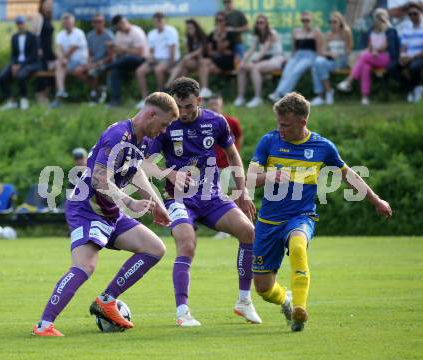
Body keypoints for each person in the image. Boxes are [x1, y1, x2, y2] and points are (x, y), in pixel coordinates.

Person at [32, 92, 179, 336]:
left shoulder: (141, 139)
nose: (163, 131)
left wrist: (155, 202)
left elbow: (134, 171)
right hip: (87, 208)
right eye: (164, 124)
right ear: (151, 114)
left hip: (109, 210)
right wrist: (129, 201)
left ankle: (106, 300)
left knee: (155, 248)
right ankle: (44, 325)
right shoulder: (117, 135)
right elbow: (100, 179)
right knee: (85, 266)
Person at [247, 92, 392, 332]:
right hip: (268, 221)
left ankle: (300, 310)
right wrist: (268, 175)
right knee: (263, 287)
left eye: (286, 125)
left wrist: (376, 200)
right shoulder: (269, 141)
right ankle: (287, 300)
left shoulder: (322, 147)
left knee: (297, 246)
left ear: (302, 122)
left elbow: (349, 175)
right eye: (278, 124)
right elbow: (248, 179)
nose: (280, 129)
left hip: (301, 216)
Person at [146, 77, 261, 327]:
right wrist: (170, 173)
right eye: (179, 106)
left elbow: (232, 155)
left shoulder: (216, 121)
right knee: (187, 245)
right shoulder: (166, 125)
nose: (184, 113)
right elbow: (144, 162)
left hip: (212, 196)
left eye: (188, 106)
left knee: (248, 232)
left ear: (198, 101)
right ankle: (182, 312)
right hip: (178, 199)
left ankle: (244, 301)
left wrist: (243, 192)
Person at [337, 8, 400, 105]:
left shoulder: (390, 30)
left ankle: (349, 81)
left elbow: (386, 46)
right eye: (377, 17)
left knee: (363, 56)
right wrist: (371, 50)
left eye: (381, 16)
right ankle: (365, 97)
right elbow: (369, 46)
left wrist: (375, 50)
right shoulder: (370, 31)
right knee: (365, 66)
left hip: (386, 58)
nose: (379, 19)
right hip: (372, 57)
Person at [207, 94, 243, 239]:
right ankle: (224, 229)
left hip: (229, 165)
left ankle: (238, 225)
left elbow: (239, 137)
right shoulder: (205, 123)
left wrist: (236, 155)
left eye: (217, 103)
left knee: (238, 193)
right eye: (212, 104)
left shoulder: (231, 122)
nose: (214, 106)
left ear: (221, 104)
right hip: (213, 167)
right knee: (219, 196)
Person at [268, 12, 323, 102]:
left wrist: (317, 60)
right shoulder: (296, 32)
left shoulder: (316, 32)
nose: (305, 22)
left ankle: (281, 94)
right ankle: (277, 93)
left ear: (311, 20)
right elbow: (294, 49)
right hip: (297, 55)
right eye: (303, 20)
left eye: (307, 20)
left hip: (309, 56)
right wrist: (290, 59)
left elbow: (319, 49)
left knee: (296, 71)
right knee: (286, 71)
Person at [234, 14, 285, 108]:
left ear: (266, 24)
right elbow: (251, 50)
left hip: (276, 59)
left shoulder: (271, 34)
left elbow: (264, 50)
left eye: (261, 22)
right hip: (263, 60)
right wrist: (242, 62)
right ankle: (240, 97)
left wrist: (254, 61)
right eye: (257, 23)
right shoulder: (258, 35)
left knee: (255, 68)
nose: (259, 24)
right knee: (242, 68)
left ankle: (258, 98)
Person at [135, 12, 180, 109]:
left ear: (164, 20)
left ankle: (160, 98)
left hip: (168, 59)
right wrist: (150, 58)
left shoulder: (171, 31)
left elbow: (172, 50)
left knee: (158, 70)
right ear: (154, 21)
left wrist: (171, 65)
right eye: (157, 20)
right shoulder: (152, 33)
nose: (159, 22)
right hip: (155, 59)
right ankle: (144, 99)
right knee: (140, 71)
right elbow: (151, 51)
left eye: (160, 20)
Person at [310, 11, 353, 106]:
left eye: (335, 22)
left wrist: (340, 53)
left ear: (340, 22)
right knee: (316, 65)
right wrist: (330, 53)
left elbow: (349, 50)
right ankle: (327, 92)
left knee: (317, 66)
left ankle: (322, 95)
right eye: (330, 22)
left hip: (342, 60)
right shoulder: (328, 35)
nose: (332, 24)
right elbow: (323, 52)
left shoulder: (346, 32)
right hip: (330, 60)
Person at [105, 15, 149, 107]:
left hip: (140, 60)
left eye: (118, 27)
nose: (118, 29)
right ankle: (116, 100)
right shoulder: (119, 34)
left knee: (128, 58)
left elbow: (139, 52)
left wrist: (124, 49)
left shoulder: (136, 32)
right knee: (115, 72)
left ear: (122, 23)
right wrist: (113, 47)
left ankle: (107, 67)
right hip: (125, 61)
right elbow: (119, 52)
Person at [0, 16, 40, 111]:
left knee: (21, 76)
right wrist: (13, 65)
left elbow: (33, 56)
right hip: (17, 64)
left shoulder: (33, 37)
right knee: (1, 77)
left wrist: (19, 66)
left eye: (22, 23)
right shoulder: (14, 37)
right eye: (18, 24)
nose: (20, 25)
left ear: (25, 24)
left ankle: (24, 100)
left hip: (30, 64)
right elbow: (13, 54)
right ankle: (11, 101)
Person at [51, 13, 88, 108]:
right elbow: (58, 49)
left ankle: (59, 97)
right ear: (63, 24)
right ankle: (61, 91)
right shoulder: (60, 34)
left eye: (69, 22)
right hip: (67, 62)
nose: (67, 24)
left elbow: (73, 49)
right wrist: (62, 59)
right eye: (65, 23)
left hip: (80, 62)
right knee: (58, 66)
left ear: (73, 23)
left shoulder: (79, 33)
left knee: (58, 67)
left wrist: (63, 58)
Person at [388, 2, 423, 102]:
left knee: (414, 67)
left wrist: (413, 57)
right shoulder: (407, 28)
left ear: (420, 13)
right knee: (392, 69)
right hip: (408, 56)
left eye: (414, 13)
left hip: (420, 56)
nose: (412, 16)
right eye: (410, 14)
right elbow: (403, 45)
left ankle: (416, 89)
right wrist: (403, 55)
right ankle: (412, 88)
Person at [199, 12, 237, 98]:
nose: (218, 22)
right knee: (204, 63)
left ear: (225, 22)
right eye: (217, 20)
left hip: (227, 61)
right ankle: (205, 89)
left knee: (205, 65)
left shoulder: (230, 34)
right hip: (215, 60)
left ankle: (205, 89)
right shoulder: (212, 34)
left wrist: (219, 38)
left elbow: (221, 49)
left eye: (221, 20)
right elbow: (209, 51)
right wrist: (218, 51)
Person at [166, 19, 207, 88]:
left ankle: (168, 85)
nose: (189, 30)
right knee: (183, 70)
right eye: (187, 28)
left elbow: (200, 51)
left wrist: (189, 56)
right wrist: (188, 56)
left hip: (201, 62)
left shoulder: (202, 37)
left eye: (190, 28)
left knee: (183, 62)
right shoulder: (189, 38)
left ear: (196, 28)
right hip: (190, 62)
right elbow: (188, 52)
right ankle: (179, 90)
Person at [30, 0, 56, 104]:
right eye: (47, 3)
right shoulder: (38, 16)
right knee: (42, 76)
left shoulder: (49, 17)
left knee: (51, 75)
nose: (49, 6)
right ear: (42, 4)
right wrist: (38, 49)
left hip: (49, 52)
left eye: (51, 4)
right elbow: (33, 35)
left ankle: (45, 97)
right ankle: (40, 98)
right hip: (41, 52)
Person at [86, 14, 114, 104]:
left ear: (104, 23)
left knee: (93, 72)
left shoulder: (108, 35)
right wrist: (89, 61)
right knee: (80, 70)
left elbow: (111, 56)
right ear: (92, 24)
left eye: (100, 21)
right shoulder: (90, 36)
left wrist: (98, 63)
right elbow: (89, 53)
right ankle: (99, 90)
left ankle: (95, 94)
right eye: (95, 22)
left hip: (106, 62)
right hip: (94, 62)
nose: (98, 23)